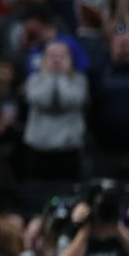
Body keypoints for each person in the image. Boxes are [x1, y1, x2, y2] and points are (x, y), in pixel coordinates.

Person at [90, 27, 129, 180]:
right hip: (105, 152)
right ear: (110, 45)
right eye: (121, 43)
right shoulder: (98, 69)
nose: (125, 47)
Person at [23, 41, 87, 180]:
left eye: (61, 56)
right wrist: (51, 77)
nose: (56, 60)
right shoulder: (34, 80)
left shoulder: (79, 80)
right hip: (39, 149)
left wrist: (62, 77)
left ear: (70, 59)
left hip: (68, 149)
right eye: (52, 56)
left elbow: (70, 101)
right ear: (44, 59)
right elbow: (42, 100)